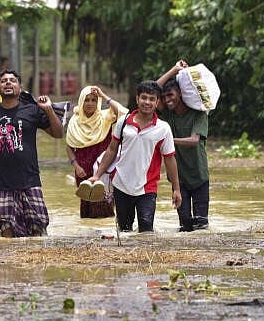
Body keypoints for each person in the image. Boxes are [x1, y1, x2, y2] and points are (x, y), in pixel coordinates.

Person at [0, 70, 64, 238]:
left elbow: (58, 133)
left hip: (30, 180)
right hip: (2, 183)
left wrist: (48, 109)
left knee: (39, 226)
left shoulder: (32, 110)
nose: (8, 83)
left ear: (19, 88)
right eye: (4, 81)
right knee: (6, 229)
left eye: (12, 81)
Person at [89, 80, 182, 233]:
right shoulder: (123, 122)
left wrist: (176, 189)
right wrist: (97, 176)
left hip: (147, 188)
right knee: (124, 230)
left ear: (157, 102)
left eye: (152, 99)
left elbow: (170, 159)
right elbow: (112, 150)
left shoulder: (163, 129)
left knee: (146, 229)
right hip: (121, 184)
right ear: (137, 99)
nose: (147, 102)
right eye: (144, 98)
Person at [157, 60, 210, 231]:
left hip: (199, 176)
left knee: (202, 226)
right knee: (185, 227)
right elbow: (153, 89)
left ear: (180, 93)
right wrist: (174, 70)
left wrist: (168, 140)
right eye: (164, 97)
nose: (167, 100)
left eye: (170, 95)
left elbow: (194, 141)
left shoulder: (199, 114)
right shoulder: (168, 115)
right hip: (178, 180)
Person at [66, 85, 128, 218]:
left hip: (104, 167)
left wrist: (103, 95)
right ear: (81, 101)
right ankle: (89, 234)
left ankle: (106, 234)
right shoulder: (74, 122)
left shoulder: (105, 117)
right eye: (87, 100)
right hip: (82, 170)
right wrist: (76, 166)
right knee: (87, 206)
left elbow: (123, 113)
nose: (90, 103)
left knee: (105, 205)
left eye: (94, 100)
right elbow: (69, 146)